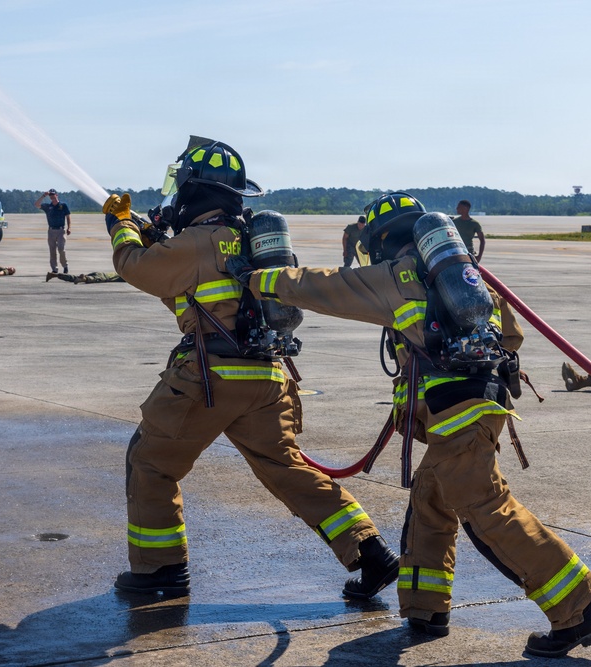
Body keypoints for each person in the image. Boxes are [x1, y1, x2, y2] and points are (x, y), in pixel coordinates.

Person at [227, 192, 591, 658]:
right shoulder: (462, 273)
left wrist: (255, 278)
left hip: (459, 414)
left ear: (380, 241)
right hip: (474, 408)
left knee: (487, 510)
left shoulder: (393, 275)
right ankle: (426, 610)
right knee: (430, 499)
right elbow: (512, 334)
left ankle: (575, 611)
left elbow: (320, 285)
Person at [100, 138, 399, 600]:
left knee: (151, 462)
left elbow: (136, 267)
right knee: (287, 469)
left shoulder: (199, 241)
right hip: (266, 377)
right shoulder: (246, 241)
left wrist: (120, 225)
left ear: (192, 191)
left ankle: (160, 570)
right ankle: (370, 551)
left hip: (209, 378)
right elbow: (183, 283)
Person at [34, 188, 71, 274]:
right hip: (51, 231)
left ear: (56, 195)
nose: (52, 197)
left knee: (61, 249)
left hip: (61, 230)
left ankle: (65, 265)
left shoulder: (63, 205)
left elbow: (68, 216)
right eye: (50, 195)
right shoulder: (48, 206)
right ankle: (54, 269)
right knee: (52, 250)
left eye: (53, 195)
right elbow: (36, 204)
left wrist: (69, 227)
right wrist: (44, 195)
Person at [45, 270, 124, 284]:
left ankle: (55, 275)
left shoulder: (121, 272)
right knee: (93, 279)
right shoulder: (123, 276)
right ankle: (85, 278)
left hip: (99, 273)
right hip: (102, 276)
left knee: (74, 278)